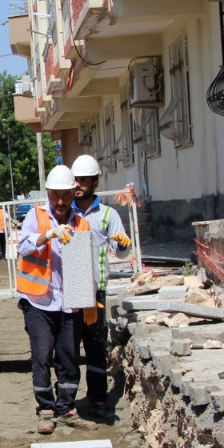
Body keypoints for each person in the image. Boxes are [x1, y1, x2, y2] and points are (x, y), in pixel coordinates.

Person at [16, 165, 95, 434]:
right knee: (41, 356)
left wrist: (88, 301)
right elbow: (22, 247)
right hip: (38, 301)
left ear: (74, 193)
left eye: (66, 196)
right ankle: (46, 410)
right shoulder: (36, 217)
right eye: (55, 196)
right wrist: (46, 235)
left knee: (69, 357)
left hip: (68, 302)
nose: (60, 202)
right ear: (48, 193)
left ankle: (67, 408)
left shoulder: (80, 222)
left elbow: (83, 265)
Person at [70, 154, 133, 415]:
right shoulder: (65, 212)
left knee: (95, 345)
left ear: (95, 183)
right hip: (72, 285)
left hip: (96, 288)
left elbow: (121, 252)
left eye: (84, 180)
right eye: (76, 180)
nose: (79, 184)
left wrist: (123, 245)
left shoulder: (108, 214)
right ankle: (67, 401)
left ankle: (97, 398)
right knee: (69, 347)